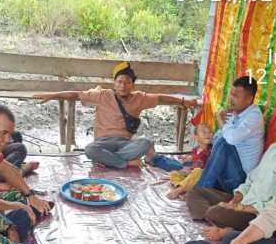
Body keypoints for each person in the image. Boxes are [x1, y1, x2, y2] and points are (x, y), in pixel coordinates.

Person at [35, 61, 198, 169]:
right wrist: (53, 95)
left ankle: (110, 161)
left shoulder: (139, 98)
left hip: (125, 144)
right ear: (114, 83)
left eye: (127, 82)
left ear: (132, 85)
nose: (123, 86)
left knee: (146, 142)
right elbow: (76, 94)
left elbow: (161, 98)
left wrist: (183, 101)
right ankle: (125, 163)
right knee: (90, 149)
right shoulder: (103, 95)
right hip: (102, 143)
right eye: (119, 82)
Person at [201, 99, 276, 239]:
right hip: (245, 201)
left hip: (260, 215)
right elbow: (252, 178)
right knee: (197, 193)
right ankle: (226, 226)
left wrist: (239, 208)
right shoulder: (273, 148)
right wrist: (237, 196)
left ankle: (230, 231)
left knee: (215, 212)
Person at [186, 76, 265, 217]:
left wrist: (221, 121)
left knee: (224, 144)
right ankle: (202, 195)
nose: (231, 99)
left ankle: (201, 192)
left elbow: (229, 139)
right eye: (231, 94)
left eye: (236, 96)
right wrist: (223, 125)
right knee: (197, 166)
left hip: (241, 181)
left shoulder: (253, 116)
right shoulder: (235, 113)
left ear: (249, 99)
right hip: (227, 175)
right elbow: (215, 142)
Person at [166, 122, 213, 200]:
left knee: (198, 171)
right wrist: (187, 161)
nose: (207, 134)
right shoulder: (195, 150)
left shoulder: (211, 150)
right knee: (173, 173)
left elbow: (203, 166)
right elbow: (193, 159)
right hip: (191, 176)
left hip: (201, 177)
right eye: (204, 132)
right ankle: (185, 188)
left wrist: (191, 170)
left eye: (210, 132)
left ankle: (179, 190)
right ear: (196, 137)